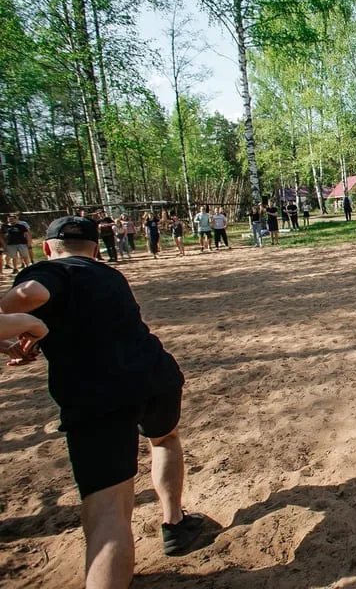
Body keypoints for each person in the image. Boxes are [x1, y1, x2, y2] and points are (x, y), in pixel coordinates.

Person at [0, 216, 204, 588]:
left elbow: (28, 295)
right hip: (155, 376)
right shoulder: (109, 275)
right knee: (165, 439)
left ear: (46, 247)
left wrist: (20, 323)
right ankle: (175, 524)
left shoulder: (51, 270)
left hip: (97, 399)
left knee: (108, 513)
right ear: (96, 248)